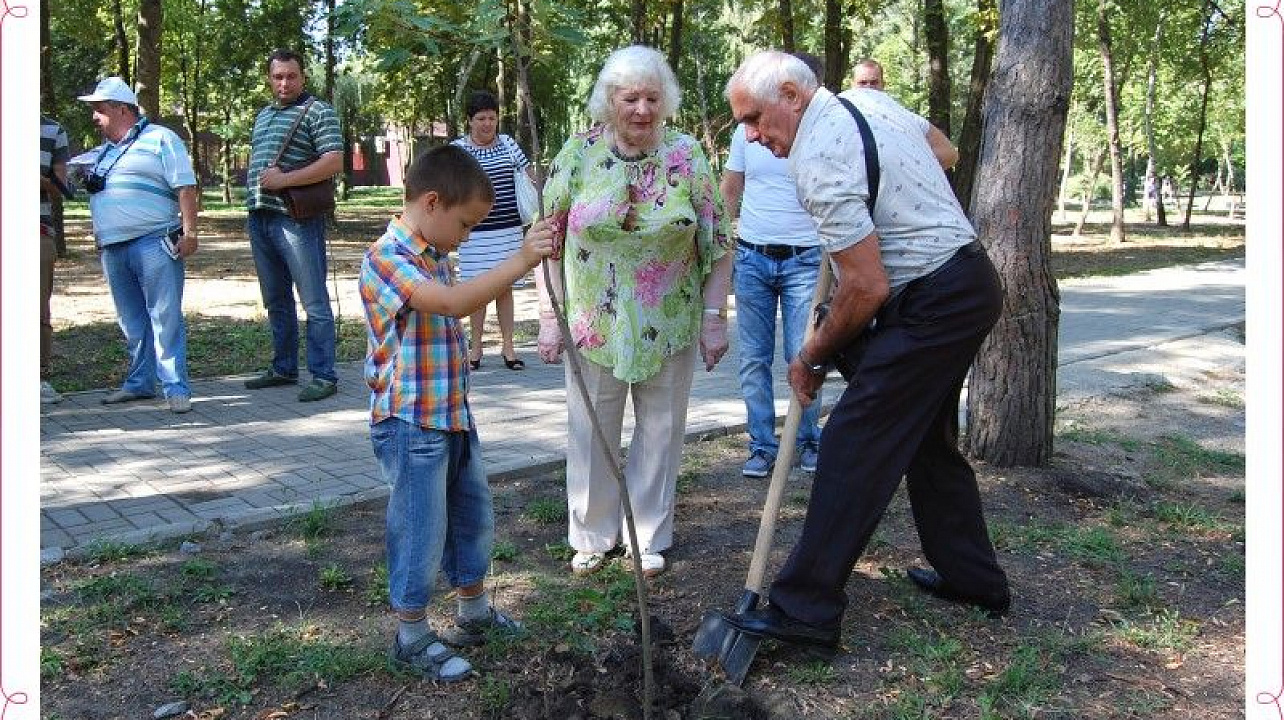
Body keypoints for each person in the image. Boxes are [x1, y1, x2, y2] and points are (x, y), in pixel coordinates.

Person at [719, 51, 1011, 651]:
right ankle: (973, 579)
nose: (751, 135)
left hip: (934, 298)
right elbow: (944, 152)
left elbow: (866, 287)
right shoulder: (869, 103)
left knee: (855, 438)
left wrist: (811, 356)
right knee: (926, 441)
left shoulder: (820, 159)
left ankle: (805, 608)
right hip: (964, 284)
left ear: (794, 96)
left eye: (754, 119)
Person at [360, 145, 555, 681]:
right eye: (465, 224)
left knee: (471, 517)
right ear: (432, 201)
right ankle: (412, 634)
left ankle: (472, 611)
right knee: (420, 527)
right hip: (409, 423)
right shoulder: (386, 259)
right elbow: (451, 305)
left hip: (451, 417)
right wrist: (521, 259)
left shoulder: (437, 255)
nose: (466, 237)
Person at [538, 45, 733, 578]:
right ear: (609, 101)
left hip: (670, 320)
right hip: (593, 322)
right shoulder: (577, 153)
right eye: (630, 98)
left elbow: (719, 242)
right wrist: (550, 315)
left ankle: (647, 536)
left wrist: (715, 319)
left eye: (652, 97)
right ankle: (593, 535)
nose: (642, 109)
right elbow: (545, 241)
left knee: (663, 428)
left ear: (664, 101)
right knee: (591, 427)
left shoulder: (687, 154)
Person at [724, 52, 826, 479]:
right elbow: (731, 188)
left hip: (805, 259)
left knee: (805, 354)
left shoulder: (817, 134)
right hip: (752, 257)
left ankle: (807, 442)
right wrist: (721, 240)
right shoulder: (747, 135)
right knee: (753, 358)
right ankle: (762, 446)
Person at [78, 77, 199, 414]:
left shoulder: (162, 138)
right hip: (113, 247)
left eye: (100, 110)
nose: (94, 117)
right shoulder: (103, 152)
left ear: (121, 109)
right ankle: (139, 383)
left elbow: (185, 187)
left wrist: (190, 234)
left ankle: (176, 387)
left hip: (154, 241)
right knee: (131, 319)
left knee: (164, 316)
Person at [244, 49, 343, 402]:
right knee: (276, 300)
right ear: (269, 79)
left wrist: (284, 180)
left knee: (314, 300)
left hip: (296, 220)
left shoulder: (318, 111)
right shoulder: (264, 115)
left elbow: (333, 161)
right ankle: (284, 367)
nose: (284, 83)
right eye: (277, 77)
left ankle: (323, 375)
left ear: (303, 77)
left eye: (291, 76)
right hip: (260, 217)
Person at [452, 90, 536, 371]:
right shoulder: (458, 150)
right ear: (469, 121)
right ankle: (475, 349)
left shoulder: (509, 145)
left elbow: (528, 176)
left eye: (492, 117)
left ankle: (509, 348)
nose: (487, 123)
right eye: (481, 118)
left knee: (505, 288)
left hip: (508, 230)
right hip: (474, 235)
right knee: (478, 291)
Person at [851, 58, 959, 171]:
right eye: (862, 83)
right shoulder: (838, 118)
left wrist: (907, 166)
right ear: (852, 85)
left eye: (874, 83)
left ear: (883, 85)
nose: (868, 88)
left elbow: (949, 154)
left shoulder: (906, 119)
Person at [41, 115, 71, 404]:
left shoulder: (52, 129)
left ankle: (39, 378)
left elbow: (62, 186)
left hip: (37, 231)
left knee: (38, 308)